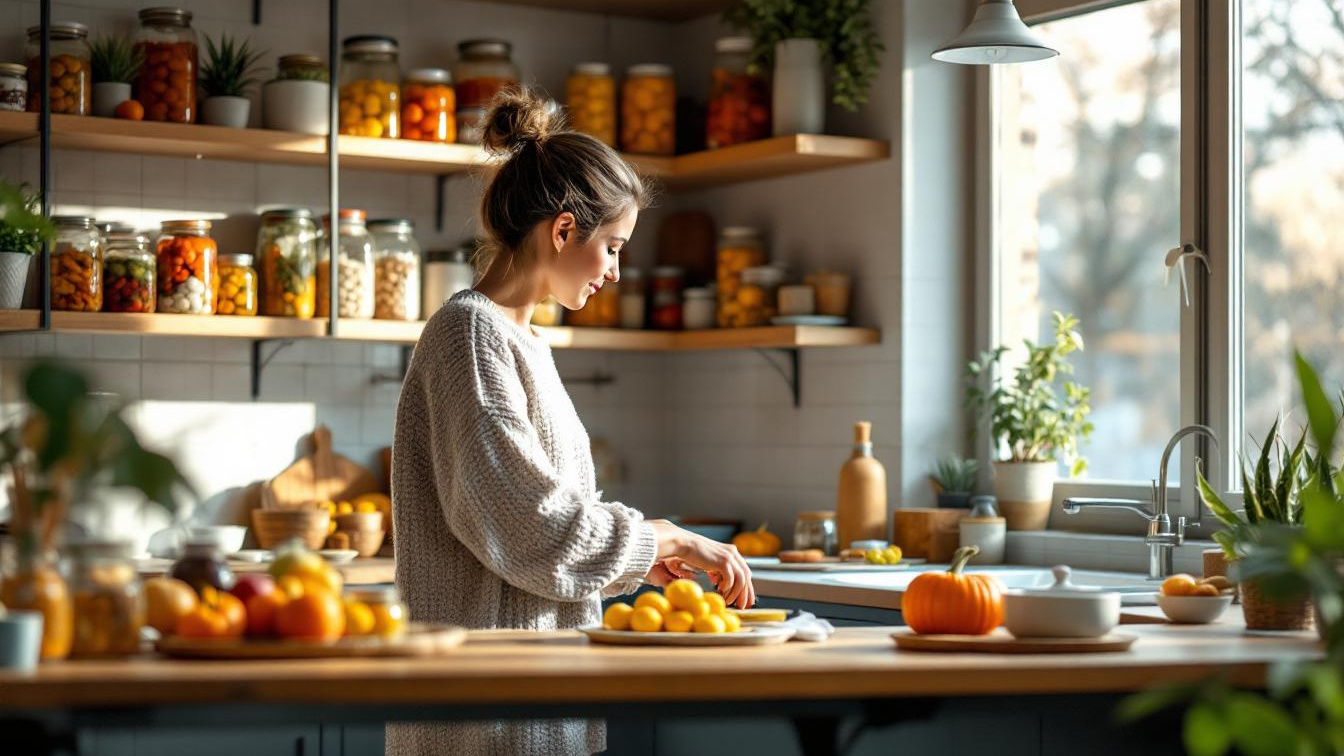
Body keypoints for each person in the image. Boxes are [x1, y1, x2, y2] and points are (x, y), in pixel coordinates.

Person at [388, 86, 756, 756]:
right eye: (613, 247)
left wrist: (633, 564)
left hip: (531, 712)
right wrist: (663, 538)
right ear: (563, 230)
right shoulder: (470, 336)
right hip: (488, 727)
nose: (616, 272)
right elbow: (529, 526)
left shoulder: (518, 340)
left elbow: (543, 528)